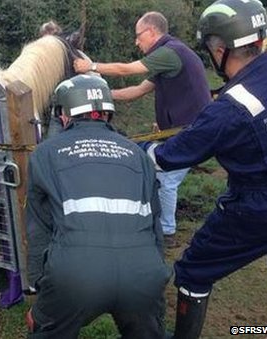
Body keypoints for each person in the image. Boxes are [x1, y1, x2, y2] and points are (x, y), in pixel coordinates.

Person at [139, 0, 267, 337]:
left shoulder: (229, 109)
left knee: (194, 270)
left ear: (220, 49)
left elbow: (167, 156)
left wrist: (133, 149)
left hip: (259, 206)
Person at [25, 74, 170, 338]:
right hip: (143, 272)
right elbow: (155, 223)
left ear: (64, 115)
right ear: (107, 113)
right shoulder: (138, 154)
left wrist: (39, 287)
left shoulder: (44, 153)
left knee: (44, 328)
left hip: (75, 275)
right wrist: (156, 272)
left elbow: (39, 227)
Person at [74, 11, 212, 248]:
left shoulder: (170, 53)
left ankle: (166, 232)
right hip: (185, 130)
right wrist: (99, 96)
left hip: (194, 132)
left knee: (167, 179)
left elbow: (126, 70)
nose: (136, 42)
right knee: (157, 173)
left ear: (151, 32)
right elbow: (137, 91)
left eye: (138, 36)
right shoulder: (168, 59)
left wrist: (91, 66)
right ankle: (155, 223)